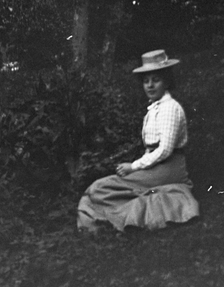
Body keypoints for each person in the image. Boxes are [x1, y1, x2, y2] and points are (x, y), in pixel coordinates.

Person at [77, 49, 201, 232]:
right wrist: (139, 166)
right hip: (156, 166)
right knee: (103, 187)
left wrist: (134, 167)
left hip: (169, 168)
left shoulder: (169, 108)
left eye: (155, 80)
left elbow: (165, 150)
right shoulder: (155, 108)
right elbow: (151, 150)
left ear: (166, 81)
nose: (150, 85)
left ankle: (110, 220)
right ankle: (107, 219)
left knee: (100, 188)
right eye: (146, 81)